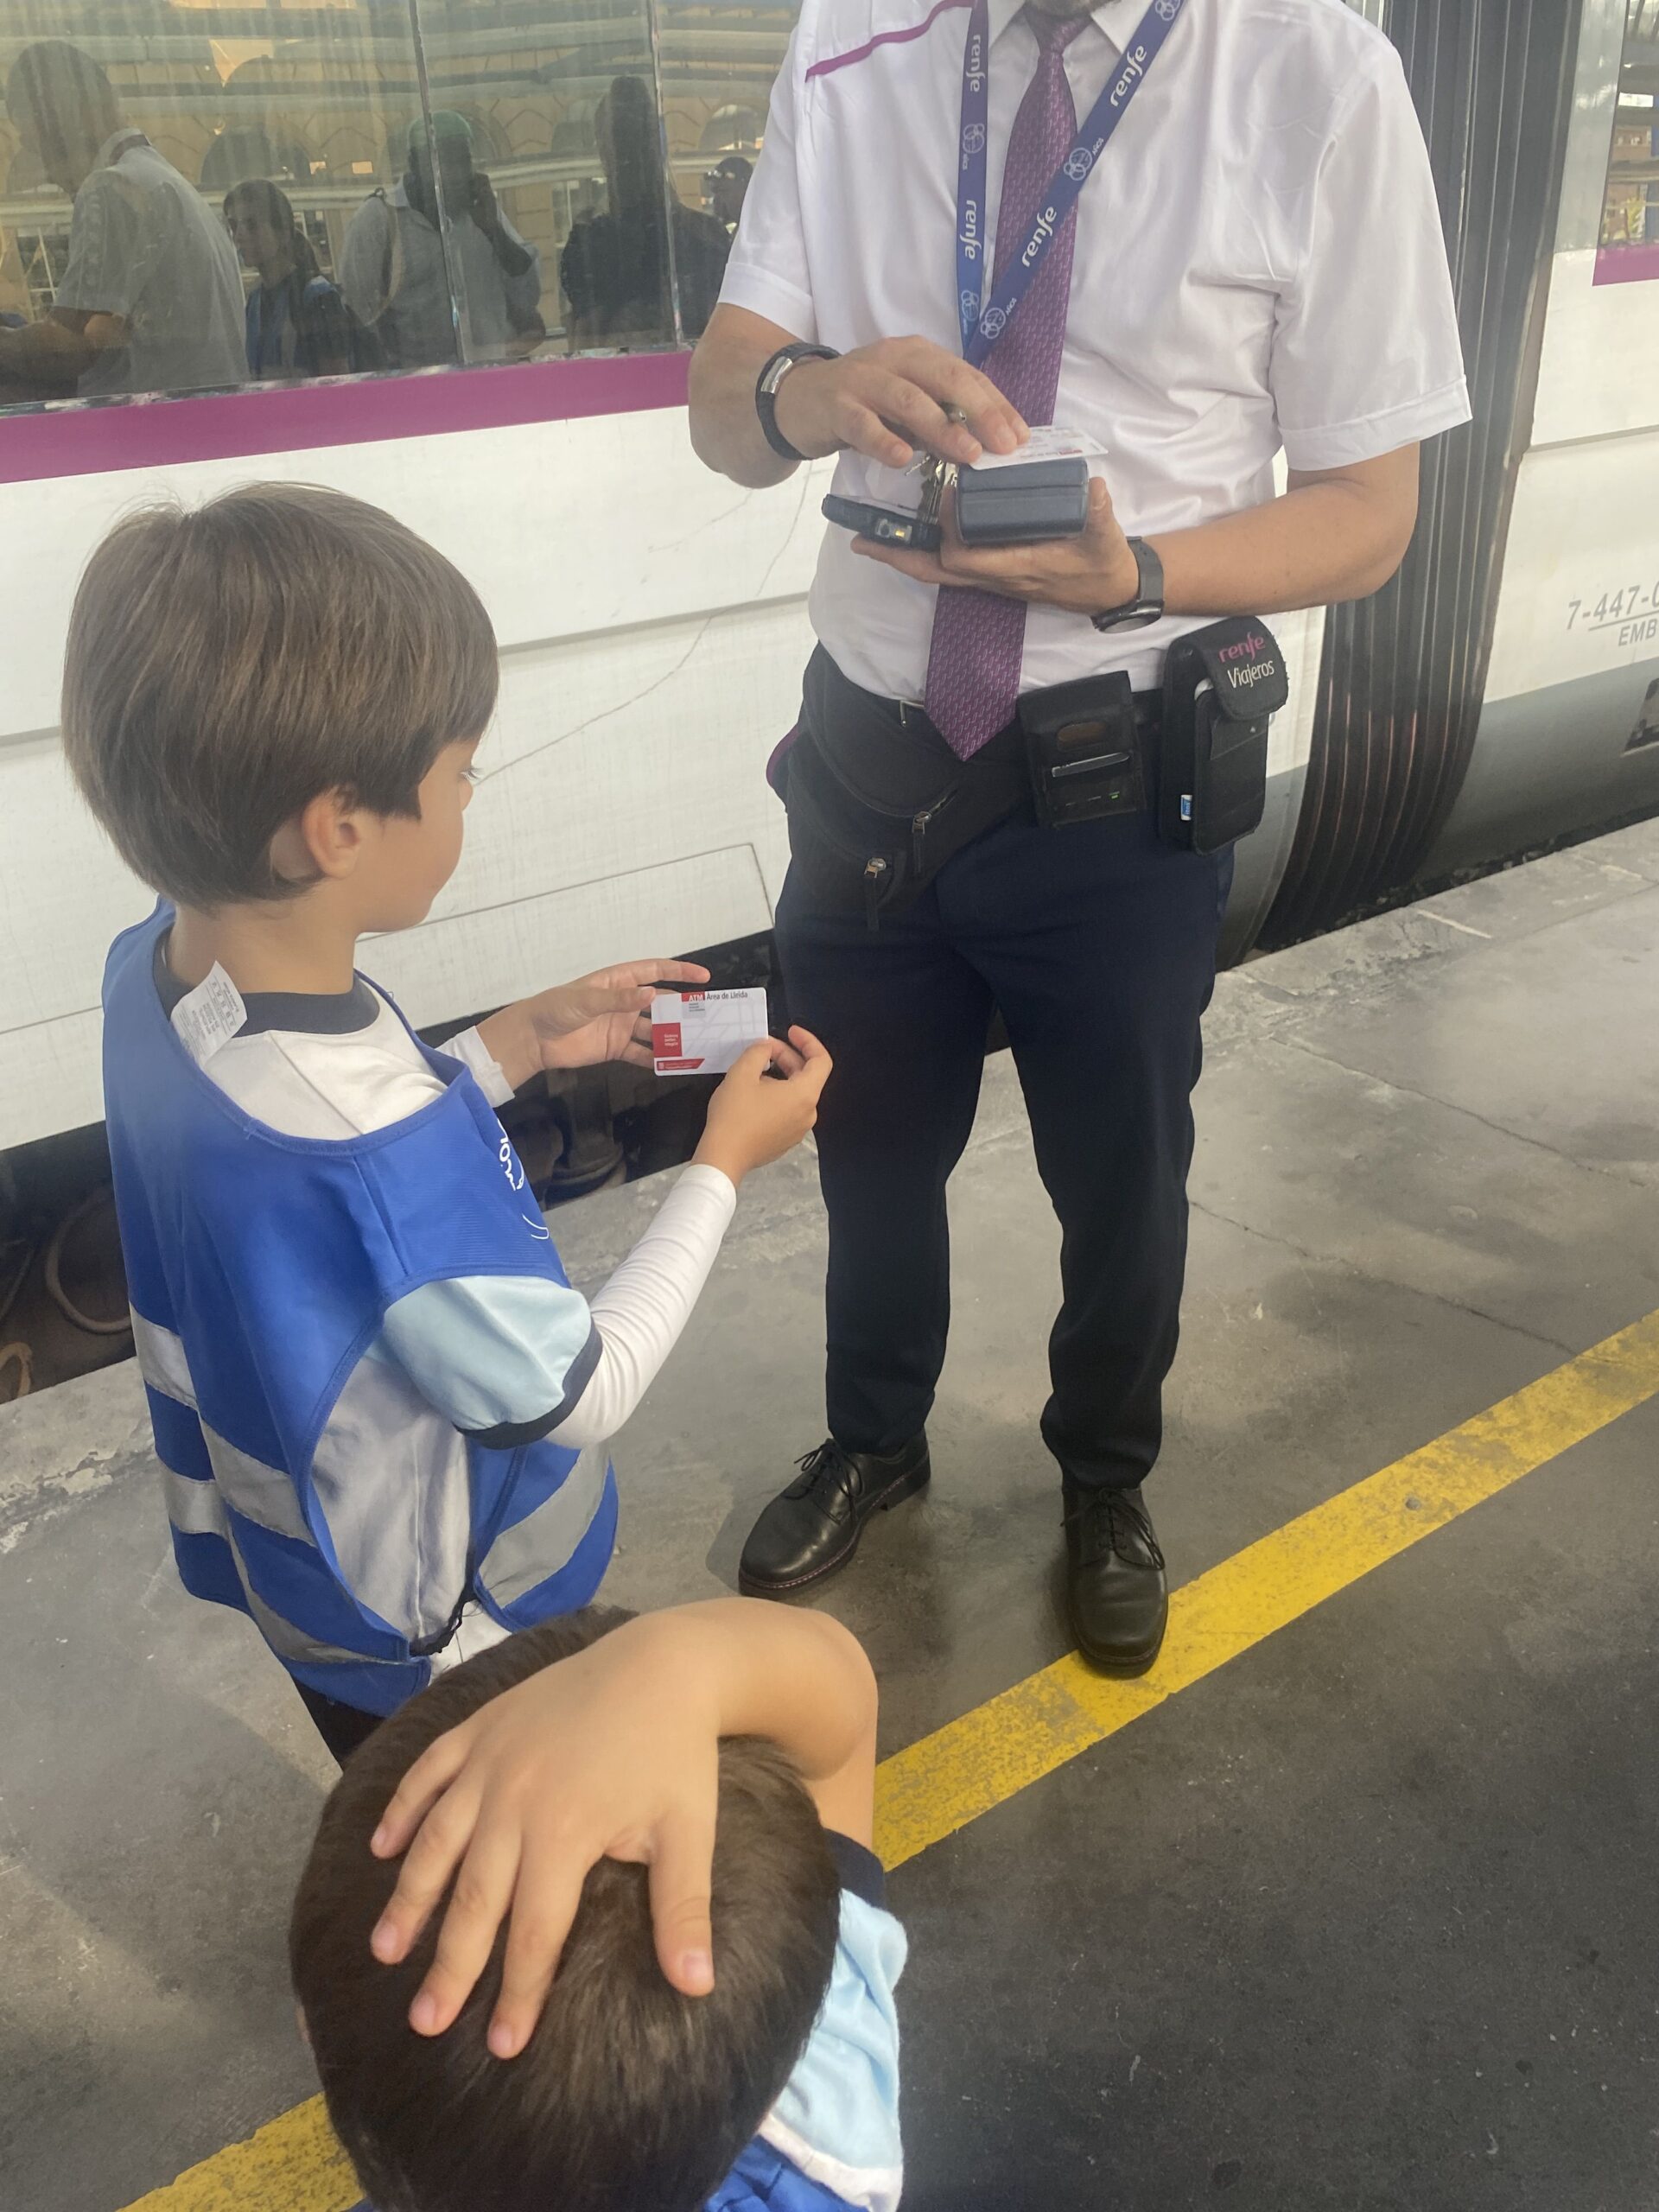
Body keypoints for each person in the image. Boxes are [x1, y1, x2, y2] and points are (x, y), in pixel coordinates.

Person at [689, 0, 1471, 1669]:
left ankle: (1105, 1480)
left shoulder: (1317, 76)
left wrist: (1141, 577)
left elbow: (1371, 513)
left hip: (1113, 779)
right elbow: (721, 406)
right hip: (870, 767)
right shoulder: (850, 40)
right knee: (866, 1144)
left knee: (1123, 1180)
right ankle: (875, 1438)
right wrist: (811, 391)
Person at [60, 483, 831, 1760]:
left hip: (306, 1577)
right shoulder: (383, 1161)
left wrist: (515, 1045)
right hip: (460, 1639)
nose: (471, 794)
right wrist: (723, 1162)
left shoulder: (155, 978)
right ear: (338, 828)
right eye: (460, 772)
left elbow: (306, 1171)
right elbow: (581, 1387)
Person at [291, 1598, 904, 2204]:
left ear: (310, 2035)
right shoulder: (834, 2119)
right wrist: (677, 1663)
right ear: (775, 2086)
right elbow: (844, 1715)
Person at [0, 41, 245, 399]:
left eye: (42, 147)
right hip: (200, 417)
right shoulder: (161, 178)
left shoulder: (112, 187)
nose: (48, 171)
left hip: (154, 425)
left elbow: (67, 346)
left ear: (67, 119)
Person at [338, 111, 543, 369]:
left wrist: (494, 231)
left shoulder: (481, 211)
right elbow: (357, 313)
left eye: (463, 161)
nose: (456, 173)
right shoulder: (378, 219)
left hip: (491, 370)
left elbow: (528, 294)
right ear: (414, 164)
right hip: (416, 378)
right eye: (442, 162)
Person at [562, 75, 731, 348]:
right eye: (621, 139)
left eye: (636, 139)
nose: (630, 158)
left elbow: (583, 344)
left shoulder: (589, 243)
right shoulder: (706, 236)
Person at [224, 177, 378, 379]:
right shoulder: (254, 300)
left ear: (283, 233)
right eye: (234, 226)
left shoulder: (319, 298)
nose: (239, 236)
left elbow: (336, 382)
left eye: (252, 225)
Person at [706, 153, 754, 235]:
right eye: (716, 193)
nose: (716, 199)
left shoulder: (763, 227)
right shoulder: (737, 231)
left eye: (723, 191)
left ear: (746, 188)